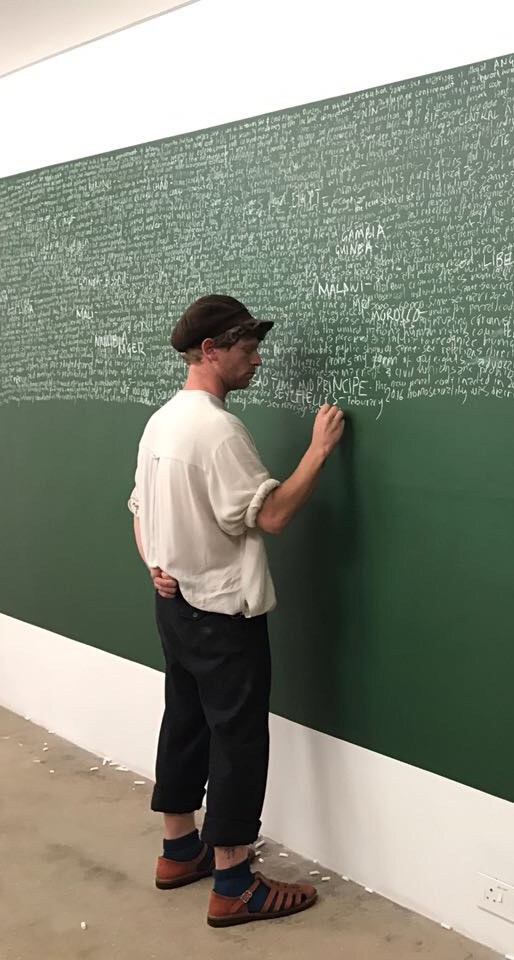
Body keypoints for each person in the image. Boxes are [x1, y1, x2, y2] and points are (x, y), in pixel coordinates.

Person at [128, 294, 346, 927]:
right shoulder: (219, 430)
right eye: (246, 349)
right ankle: (233, 883)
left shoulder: (161, 421)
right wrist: (320, 450)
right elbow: (272, 515)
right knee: (239, 742)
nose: (256, 360)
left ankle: (177, 850)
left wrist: (154, 565)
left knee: (186, 722)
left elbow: (139, 510)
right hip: (224, 614)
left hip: (175, 606)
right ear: (209, 351)